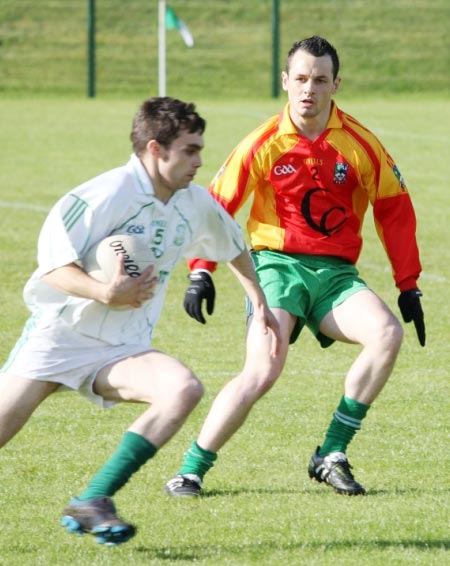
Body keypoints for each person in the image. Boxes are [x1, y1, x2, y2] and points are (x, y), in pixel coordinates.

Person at [0, 96, 280, 546]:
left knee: (183, 389)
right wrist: (105, 292)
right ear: (155, 149)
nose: (199, 160)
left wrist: (260, 305)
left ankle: (93, 499)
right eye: (189, 150)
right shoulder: (103, 195)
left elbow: (233, 245)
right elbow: (52, 265)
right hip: (60, 338)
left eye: (199, 149)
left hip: (123, 345)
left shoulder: (195, 202)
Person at [164, 36, 425, 498]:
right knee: (263, 368)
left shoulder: (360, 144)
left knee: (387, 334)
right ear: (285, 82)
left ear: (335, 84)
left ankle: (332, 452)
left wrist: (409, 285)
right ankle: (191, 469)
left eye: (320, 80)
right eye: (301, 79)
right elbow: (217, 206)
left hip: (335, 276)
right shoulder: (262, 142)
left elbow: (395, 209)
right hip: (275, 268)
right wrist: (201, 270)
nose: (310, 89)